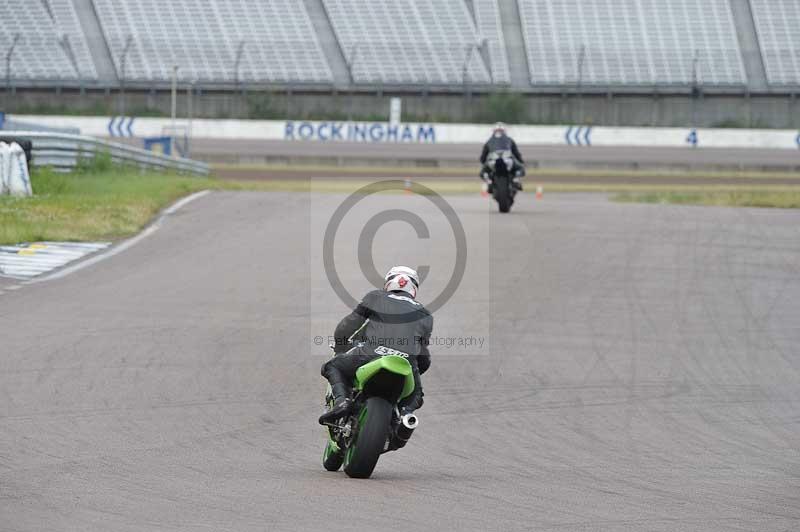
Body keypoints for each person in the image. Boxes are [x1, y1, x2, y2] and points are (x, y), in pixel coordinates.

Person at [319, 266, 433, 424]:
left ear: (389, 283)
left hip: (372, 352)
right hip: (406, 362)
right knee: (416, 396)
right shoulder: (425, 314)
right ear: (413, 288)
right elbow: (424, 357)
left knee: (332, 366)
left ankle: (342, 401)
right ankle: (405, 418)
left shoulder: (376, 297)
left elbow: (346, 327)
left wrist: (340, 349)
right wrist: (414, 370)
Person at [479, 122, 525, 191]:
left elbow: (483, 156)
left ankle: (489, 182)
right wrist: (521, 161)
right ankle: (516, 179)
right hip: (506, 160)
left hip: (496, 160)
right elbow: (516, 153)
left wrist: (482, 161)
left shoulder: (489, 141)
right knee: (520, 168)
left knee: (483, 172)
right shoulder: (509, 139)